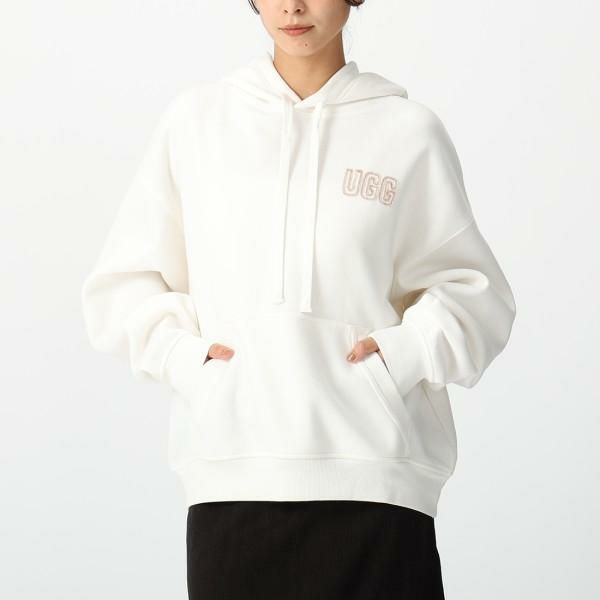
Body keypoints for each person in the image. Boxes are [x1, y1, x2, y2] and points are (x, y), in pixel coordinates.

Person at [81, 1, 517, 598]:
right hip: (232, 482)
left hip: (379, 485)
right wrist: (191, 363)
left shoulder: (407, 131)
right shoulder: (196, 123)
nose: (292, 6)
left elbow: (476, 294)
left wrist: (400, 358)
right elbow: (123, 285)